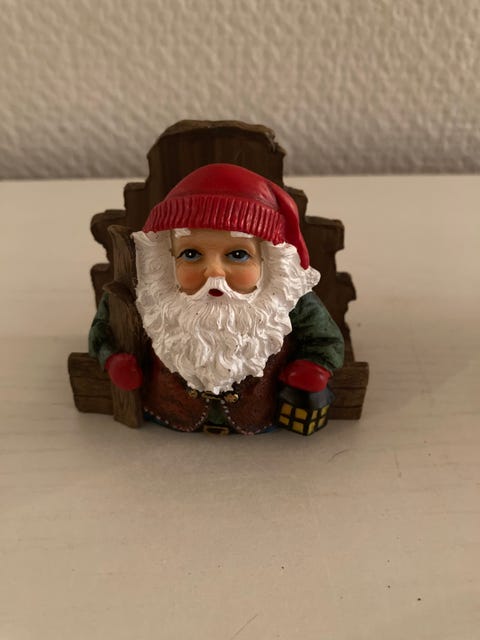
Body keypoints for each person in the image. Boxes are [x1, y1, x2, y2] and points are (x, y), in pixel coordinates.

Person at [89, 163, 344, 435]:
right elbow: (103, 331)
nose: (213, 271)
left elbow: (326, 340)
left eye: (237, 255)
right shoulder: (149, 298)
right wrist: (112, 360)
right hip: (168, 412)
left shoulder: (287, 301)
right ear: (165, 259)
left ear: (268, 261)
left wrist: (314, 366)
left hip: (260, 416)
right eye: (191, 254)